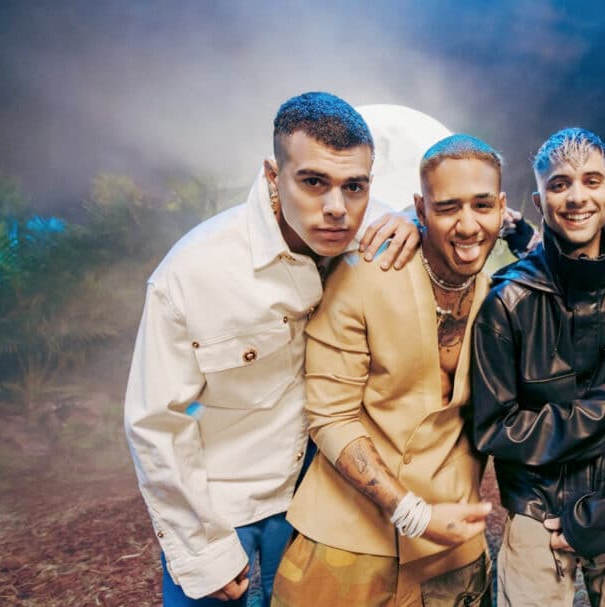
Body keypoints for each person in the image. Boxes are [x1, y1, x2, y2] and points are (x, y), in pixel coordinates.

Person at [124, 92, 420, 605]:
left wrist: (415, 223)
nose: (337, 208)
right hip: (220, 508)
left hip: (320, 498)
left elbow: (437, 219)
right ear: (272, 175)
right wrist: (202, 549)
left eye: (354, 186)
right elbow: (157, 422)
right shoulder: (193, 272)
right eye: (313, 182)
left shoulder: (371, 233)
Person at [272, 134, 507, 606]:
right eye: (447, 207)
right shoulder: (362, 276)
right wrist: (412, 514)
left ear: (501, 208)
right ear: (421, 209)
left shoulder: (501, 297)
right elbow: (330, 418)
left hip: (452, 543)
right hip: (348, 541)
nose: (467, 225)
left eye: (482, 205)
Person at [471, 128, 605, 607]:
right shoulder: (507, 301)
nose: (577, 196)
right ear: (539, 201)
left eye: (591, 181)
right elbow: (496, 429)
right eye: (559, 184)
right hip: (536, 509)